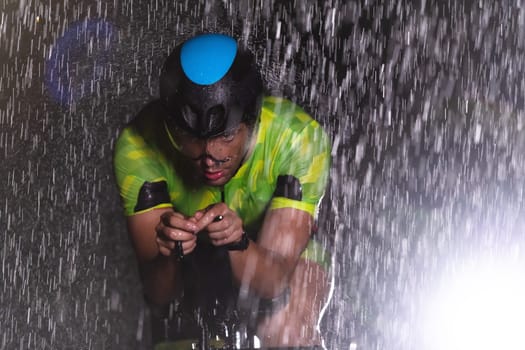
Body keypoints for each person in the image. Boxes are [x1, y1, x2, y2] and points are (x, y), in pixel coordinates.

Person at [113, 32, 332, 349]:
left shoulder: (298, 138)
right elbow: (160, 294)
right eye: (191, 138)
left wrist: (239, 242)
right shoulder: (137, 146)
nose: (210, 155)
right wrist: (167, 253)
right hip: (195, 261)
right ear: (171, 128)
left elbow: (273, 284)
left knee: (287, 330)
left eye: (227, 135)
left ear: (251, 122)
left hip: (276, 258)